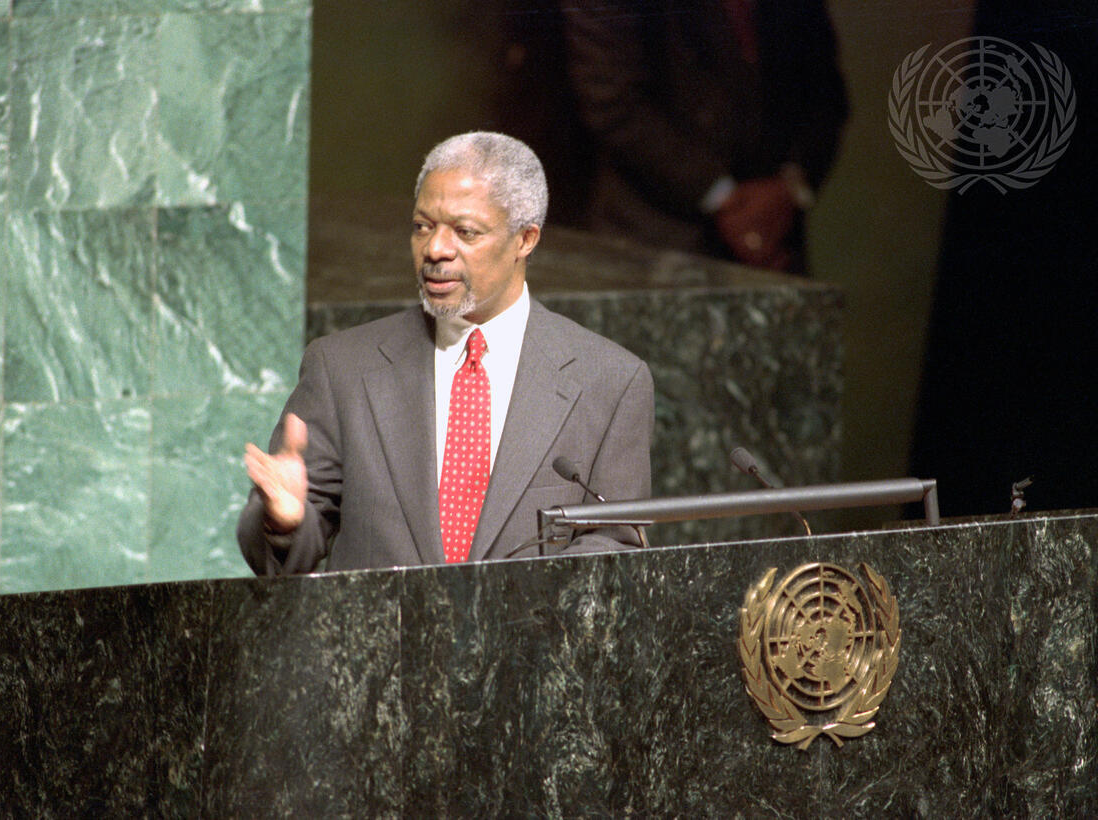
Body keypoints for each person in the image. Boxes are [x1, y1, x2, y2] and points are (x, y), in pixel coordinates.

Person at [238, 132, 654, 575]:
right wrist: (284, 520)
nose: (436, 249)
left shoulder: (610, 381)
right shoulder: (343, 368)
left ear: (525, 239)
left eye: (465, 231)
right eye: (423, 226)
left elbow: (617, 547)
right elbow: (279, 555)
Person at [557, 0, 849, 273]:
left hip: (775, 240)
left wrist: (789, 186)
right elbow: (612, 102)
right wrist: (727, 200)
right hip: (653, 241)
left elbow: (826, 93)